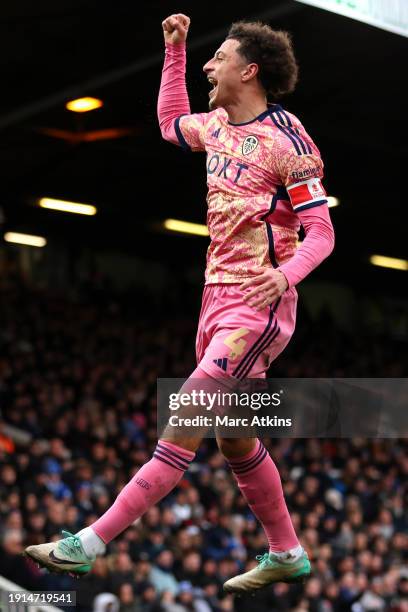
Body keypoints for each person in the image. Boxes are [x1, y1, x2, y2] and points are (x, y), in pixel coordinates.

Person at [25, 13, 334, 594]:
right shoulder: (216, 125)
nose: (207, 65)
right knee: (235, 437)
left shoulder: (290, 142)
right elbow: (170, 125)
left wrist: (284, 277)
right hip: (213, 300)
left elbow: (322, 233)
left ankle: (85, 544)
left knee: (185, 417)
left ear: (250, 70)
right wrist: (174, 49)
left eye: (217, 57)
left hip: (256, 306)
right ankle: (288, 551)